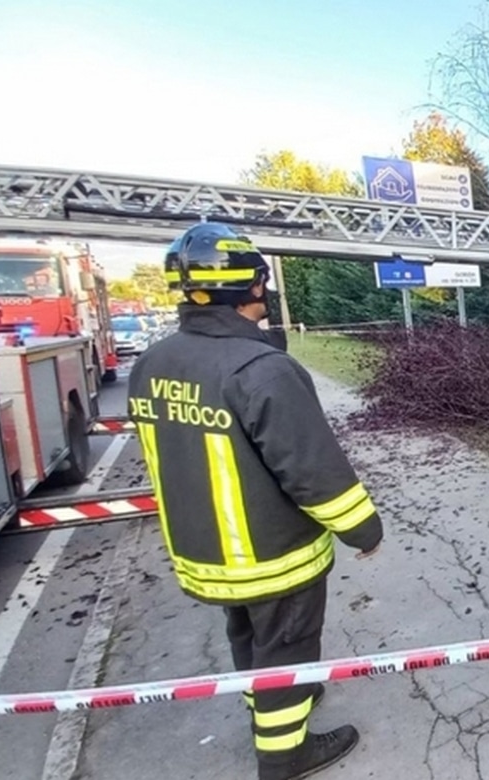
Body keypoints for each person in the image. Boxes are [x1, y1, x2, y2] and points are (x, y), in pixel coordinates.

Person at [126, 222, 384, 780]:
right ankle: (285, 755)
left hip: (204, 550)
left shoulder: (152, 364)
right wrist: (363, 529)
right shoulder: (261, 370)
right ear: (254, 285)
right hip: (272, 554)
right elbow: (311, 469)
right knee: (287, 644)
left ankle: (269, 702)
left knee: (246, 633)